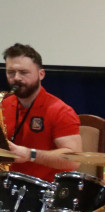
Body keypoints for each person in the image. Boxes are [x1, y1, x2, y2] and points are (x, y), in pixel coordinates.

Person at [2, 43, 81, 181]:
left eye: (24, 72)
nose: (17, 78)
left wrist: (30, 155)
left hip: (47, 190)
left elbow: (74, 160)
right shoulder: (4, 105)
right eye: (11, 72)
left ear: (41, 74)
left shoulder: (61, 111)